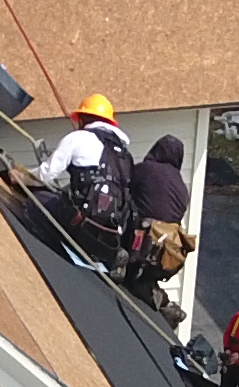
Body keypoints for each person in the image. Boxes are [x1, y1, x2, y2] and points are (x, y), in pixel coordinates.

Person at [32, 93, 136, 264]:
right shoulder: (125, 156)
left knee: (35, 202)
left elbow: (46, 174)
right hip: (110, 237)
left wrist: (20, 176)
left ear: (81, 119)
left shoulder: (77, 138)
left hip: (80, 225)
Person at [125, 135, 192, 299]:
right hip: (164, 254)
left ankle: (120, 262)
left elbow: (122, 185)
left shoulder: (145, 169)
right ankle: (150, 288)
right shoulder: (182, 187)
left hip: (137, 241)